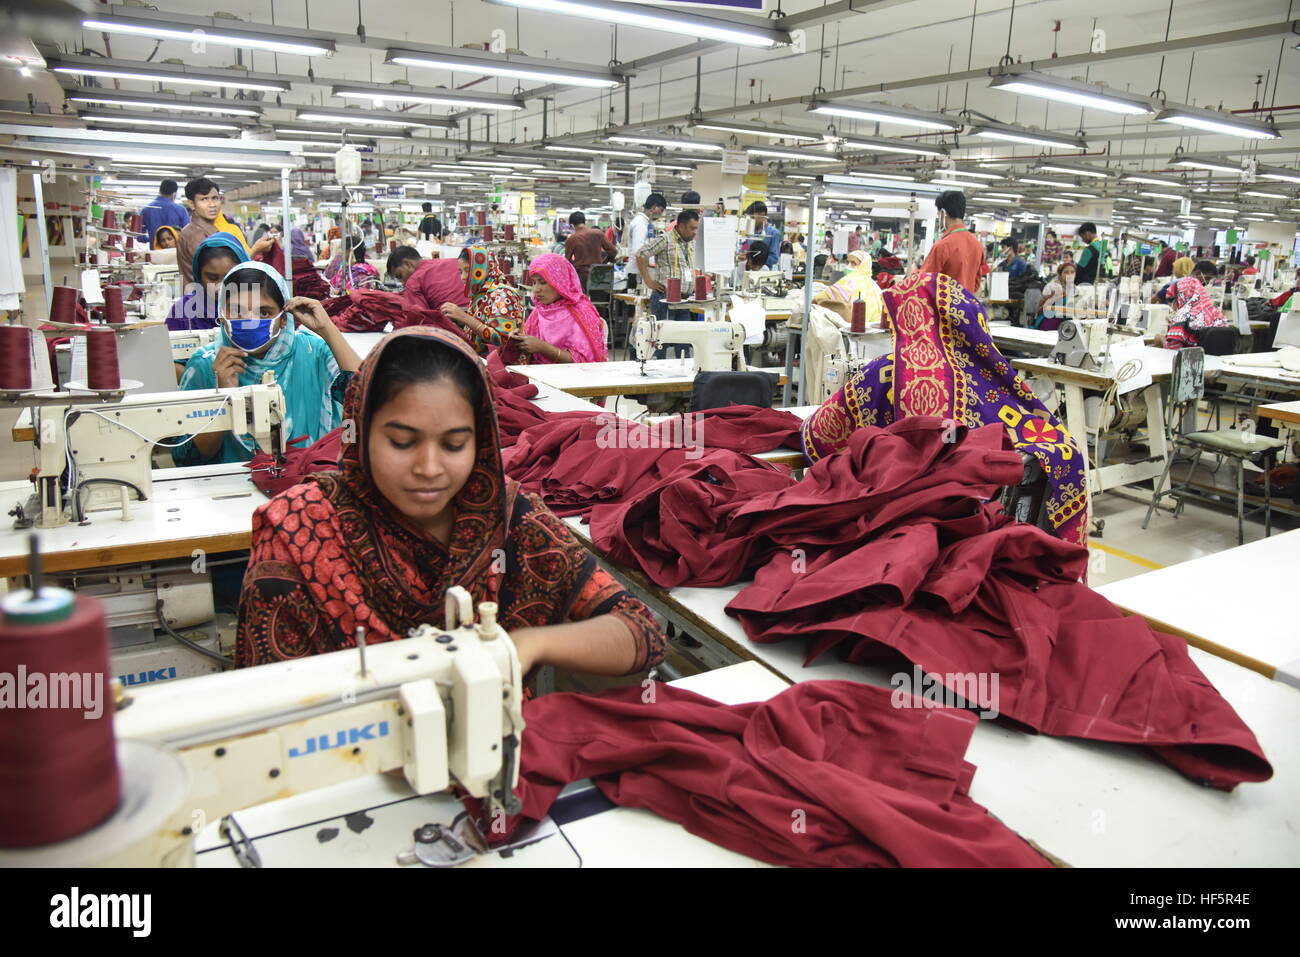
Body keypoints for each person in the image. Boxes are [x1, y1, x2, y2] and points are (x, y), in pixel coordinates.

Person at [234, 327, 664, 677]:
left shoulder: (509, 518)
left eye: (454, 444)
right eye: (402, 442)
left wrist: (526, 645)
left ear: (481, 441)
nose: (429, 467)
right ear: (360, 431)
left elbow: (640, 630)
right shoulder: (297, 529)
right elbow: (265, 705)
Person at [801, 271, 1088, 546]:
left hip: (908, 531)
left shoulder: (887, 371)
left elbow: (821, 434)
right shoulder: (997, 381)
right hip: (987, 534)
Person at [173, 261, 360, 467]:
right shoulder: (205, 365)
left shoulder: (312, 351)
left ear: (283, 318)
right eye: (237, 311)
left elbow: (364, 397)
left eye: (264, 313)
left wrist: (327, 329)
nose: (250, 321)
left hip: (310, 477)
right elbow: (188, 457)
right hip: (233, 483)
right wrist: (222, 399)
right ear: (221, 315)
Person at [511, 253, 609, 365]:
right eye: (534, 282)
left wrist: (543, 348)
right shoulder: (540, 311)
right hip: (538, 375)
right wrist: (520, 340)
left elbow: (585, 362)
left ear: (559, 281)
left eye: (543, 282)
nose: (536, 289)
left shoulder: (580, 312)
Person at [176, 177, 272, 288]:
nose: (212, 204)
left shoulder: (205, 230)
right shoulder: (196, 235)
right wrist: (255, 250)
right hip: (203, 299)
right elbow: (223, 271)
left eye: (215, 198)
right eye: (204, 199)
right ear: (192, 204)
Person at [439, 247, 526, 355]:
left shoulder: (502, 294)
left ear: (485, 268)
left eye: (468, 270)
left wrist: (464, 317)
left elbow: (504, 339)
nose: (463, 277)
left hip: (503, 365)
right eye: (461, 272)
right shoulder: (480, 293)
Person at [166, 233, 249, 333]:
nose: (220, 287)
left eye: (229, 277)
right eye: (212, 278)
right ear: (199, 276)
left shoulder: (257, 310)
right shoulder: (181, 313)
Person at [636, 208, 701, 323]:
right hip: (665, 298)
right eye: (692, 228)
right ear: (681, 226)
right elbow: (641, 254)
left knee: (684, 338)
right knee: (665, 338)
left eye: (696, 228)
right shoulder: (665, 239)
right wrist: (648, 281)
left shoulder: (690, 242)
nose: (695, 232)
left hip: (684, 300)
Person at [919, 191, 986, 295]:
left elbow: (924, 282)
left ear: (942, 213)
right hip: (967, 308)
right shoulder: (978, 245)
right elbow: (976, 284)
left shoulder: (942, 246)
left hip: (943, 309)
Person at [387, 246, 471, 320]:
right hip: (476, 313)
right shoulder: (453, 261)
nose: (402, 283)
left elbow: (422, 317)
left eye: (400, 276)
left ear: (407, 264)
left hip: (455, 320)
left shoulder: (413, 281)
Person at [1164, 260, 1232, 350]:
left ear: (1180, 297)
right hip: (1214, 361)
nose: (1172, 306)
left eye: (1172, 302)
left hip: (1192, 360)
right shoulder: (1217, 314)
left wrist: (1160, 340)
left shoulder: (1181, 318)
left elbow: (1173, 351)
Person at [812, 250, 885, 325]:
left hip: (852, 326)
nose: (848, 266)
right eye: (848, 262)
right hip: (872, 329)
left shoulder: (849, 281)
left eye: (853, 263)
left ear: (864, 265)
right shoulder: (875, 286)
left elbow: (821, 297)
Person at [562, 211, 618, 288]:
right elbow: (613, 251)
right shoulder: (598, 233)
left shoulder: (572, 239)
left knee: (582, 298)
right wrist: (603, 262)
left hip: (582, 276)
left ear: (572, 225)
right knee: (598, 298)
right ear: (585, 221)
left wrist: (575, 267)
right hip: (599, 274)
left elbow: (567, 261)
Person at [624, 193, 665, 291]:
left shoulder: (646, 222)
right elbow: (639, 252)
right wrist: (648, 281)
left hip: (641, 272)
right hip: (637, 274)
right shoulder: (640, 223)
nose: (661, 214)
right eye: (661, 210)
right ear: (654, 207)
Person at [139, 178, 189, 248]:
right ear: (174, 194)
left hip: (155, 254)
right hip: (175, 254)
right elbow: (187, 235)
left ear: (159, 191)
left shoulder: (146, 209)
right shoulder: (181, 210)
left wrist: (153, 238)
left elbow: (139, 237)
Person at [1035, 261, 1077, 331]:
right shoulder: (1052, 286)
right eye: (1066, 272)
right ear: (1060, 274)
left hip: (1067, 318)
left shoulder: (1076, 289)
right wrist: (1054, 297)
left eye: (1072, 272)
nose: (1069, 275)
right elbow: (1040, 304)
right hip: (1049, 317)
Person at [743, 201, 781, 268]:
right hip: (750, 271)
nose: (751, 221)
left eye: (752, 218)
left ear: (762, 215)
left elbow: (774, 258)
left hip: (765, 273)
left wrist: (756, 261)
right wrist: (745, 256)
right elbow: (749, 251)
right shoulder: (751, 232)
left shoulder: (773, 233)